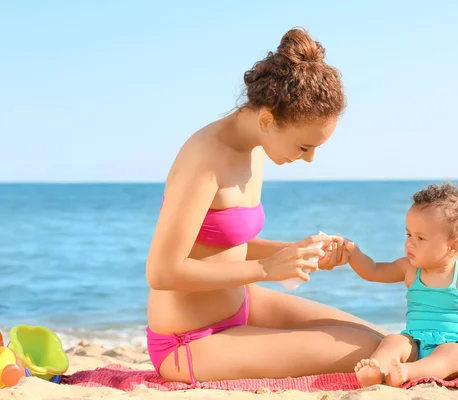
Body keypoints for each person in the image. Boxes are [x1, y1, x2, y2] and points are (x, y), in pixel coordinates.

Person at [144, 27, 385, 384]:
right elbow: (162, 272)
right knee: (365, 350)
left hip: (242, 305)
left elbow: (222, 247)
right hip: (189, 342)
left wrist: (297, 253)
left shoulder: (256, 149)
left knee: (383, 340)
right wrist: (267, 268)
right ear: (268, 120)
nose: (310, 159)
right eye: (304, 147)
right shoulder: (205, 159)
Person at [343, 182, 458, 387]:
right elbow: (373, 271)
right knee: (394, 341)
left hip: (455, 346)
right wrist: (353, 253)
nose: (410, 243)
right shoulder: (409, 269)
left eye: (420, 238)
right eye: (409, 234)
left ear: (453, 246)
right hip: (416, 343)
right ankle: (378, 369)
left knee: (454, 354)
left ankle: (409, 371)